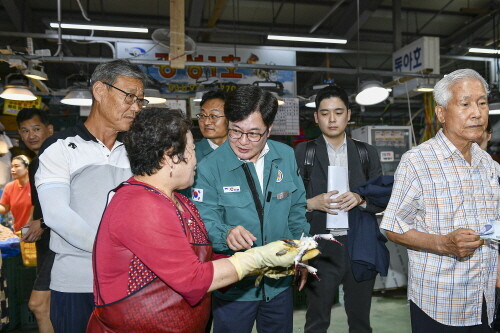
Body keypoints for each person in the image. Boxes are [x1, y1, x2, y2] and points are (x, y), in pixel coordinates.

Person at [87, 108, 317, 332]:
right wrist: (256, 259)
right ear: (170, 157)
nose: (197, 158)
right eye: (191, 149)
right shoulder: (140, 205)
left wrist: (264, 265)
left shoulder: (179, 201)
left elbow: (202, 258)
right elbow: (193, 279)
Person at [380, 68, 500, 332]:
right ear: (442, 113)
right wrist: (443, 243)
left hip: (485, 297)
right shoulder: (418, 161)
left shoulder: (488, 164)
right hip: (439, 301)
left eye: (482, 103)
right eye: (465, 103)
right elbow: (392, 226)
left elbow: (494, 223)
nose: (477, 112)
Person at [35, 59, 149, 333]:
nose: (135, 107)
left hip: (127, 283)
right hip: (77, 283)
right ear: (100, 91)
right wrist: (111, 249)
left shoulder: (136, 153)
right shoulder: (59, 147)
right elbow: (57, 215)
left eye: (140, 101)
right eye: (129, 97)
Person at [193, 85, 310, 333]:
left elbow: (297, 208)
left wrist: (301, 253)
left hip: (279, 284)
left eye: (254, 133)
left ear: (269, 129)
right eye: (236, 131)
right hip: (235, 288)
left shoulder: (285, 156)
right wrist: (225, 233)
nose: (243, 142)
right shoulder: (208, 167)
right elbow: (204, 219)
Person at [294, 85, 383, 333]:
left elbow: (382, 199)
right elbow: (288, 202)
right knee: (316, 320)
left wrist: (361, 199)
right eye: (324, 113)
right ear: (316, 117)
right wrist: (313, 203)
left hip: (359, 246)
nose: (332, 119)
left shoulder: (367, 153)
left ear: (349, 114)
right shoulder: (304, 152)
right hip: (320, 248)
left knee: (360, 321)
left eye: (338, 112)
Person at [16, 108, 54, 333]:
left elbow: (72, 203)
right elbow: (39, 205)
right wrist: (32, 226)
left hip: (58, 245)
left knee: (38, 306)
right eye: (25, 130)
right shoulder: (35, 165)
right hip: (44, 244)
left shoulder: (57, 161)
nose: (31, 135)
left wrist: (43, 222)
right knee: (50, 306)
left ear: (50, 130)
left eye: (36, 129)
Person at [0, 155, 32, 232]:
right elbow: (5, 209)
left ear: (27, 168)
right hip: (18, 231)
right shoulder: (9, 187)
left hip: (34, 231)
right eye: (12, 167)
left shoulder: (34, 186)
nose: (12, 170)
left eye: (16, 166)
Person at [195, 89, 228, 161]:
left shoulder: (243, 151)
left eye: (213, 116)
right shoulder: (191, 154)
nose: (206, 122)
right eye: (202, 115)